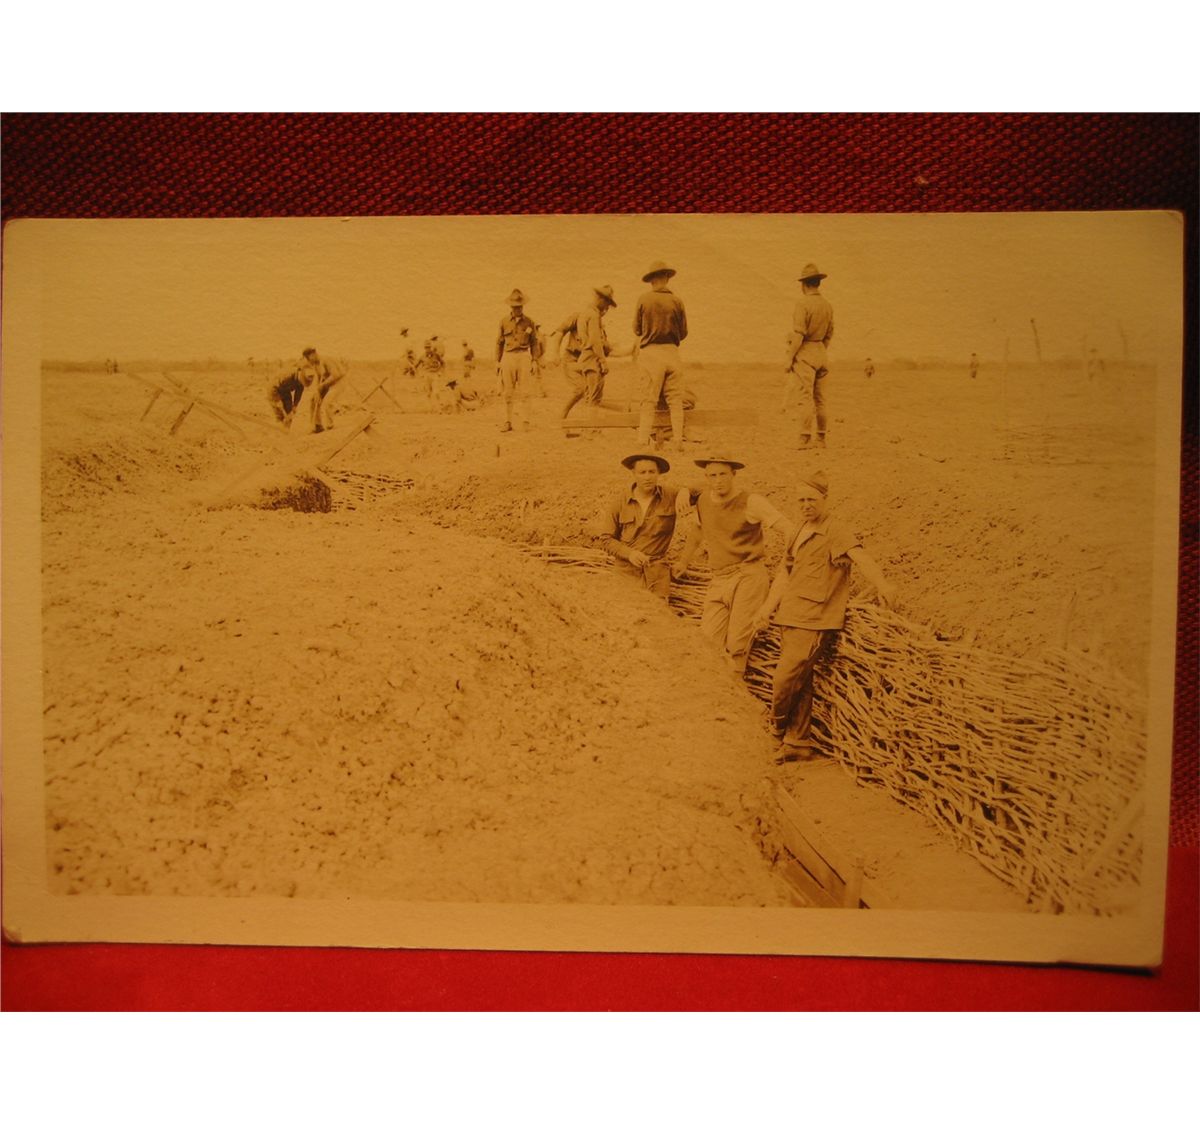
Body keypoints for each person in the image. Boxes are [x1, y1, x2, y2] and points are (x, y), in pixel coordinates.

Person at [751, 469, 895, 760]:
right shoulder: (797, 531)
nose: (806, 505)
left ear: (825, 500)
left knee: (783, 680)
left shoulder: (836, 530)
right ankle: (798, 743)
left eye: (812, 500)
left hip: (815, 618)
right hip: (790, 614)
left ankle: (776, 730)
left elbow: (860, 557)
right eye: (801, 500)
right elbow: (785, 573)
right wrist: (767, 608)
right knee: (800, 681)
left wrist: (882, 584)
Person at [671, 456, 796, 675]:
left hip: (747, 575)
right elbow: (698, 530)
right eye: (712, 475)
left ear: (734, 475)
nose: (718, 480)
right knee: (707, 642)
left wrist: (789, 561)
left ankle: (736, 687)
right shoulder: (703, 500)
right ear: (706, 478)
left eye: (723, 474)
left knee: (737, 644)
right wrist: (683, 561)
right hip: (719, 577)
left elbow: (788, 529)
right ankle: (714, 690)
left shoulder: (751, 502)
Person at [594, 452, 692, 598]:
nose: (647, 477)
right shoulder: (620, 502)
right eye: (642, 472)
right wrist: (630, 554)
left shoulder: (671, 496)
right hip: (626, 573)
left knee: (658, 611)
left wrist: (686, 490)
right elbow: (606, 539)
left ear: (658, 473)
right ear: (634, 474)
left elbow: (707, 488)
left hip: (657, 575)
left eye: (652, 472)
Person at [633, 261, 688, 450]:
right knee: (675, 400)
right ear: (666, 278)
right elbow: (684, 332)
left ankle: (642, 441)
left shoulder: (644, 299)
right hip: (672, 352)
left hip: (651, 353)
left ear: (652, 280)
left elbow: (637, 329)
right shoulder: (677, 301)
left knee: (649, 400)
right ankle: (678, 440)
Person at [786, 263, 834, 449]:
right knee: (820, 399)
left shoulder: (803, 304)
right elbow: (829, 333)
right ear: (818, 283)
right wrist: (820, 349)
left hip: (806, 352)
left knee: (805, 397)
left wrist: (789, 358)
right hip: (821, 352)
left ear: (804, 284)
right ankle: (821, 438)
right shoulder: (827, 305)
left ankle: (804, 438)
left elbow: (799, 335)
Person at [495, 288, 542, 433]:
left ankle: (525, 421)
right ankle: (507, 422)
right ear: (511, 307)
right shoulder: (503, 322)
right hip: (508, 357)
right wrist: (497, 361)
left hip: (523, 356)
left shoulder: (529, 322)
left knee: (525, 392)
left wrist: (534, 360)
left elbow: (534, 343)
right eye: (515, 307)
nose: (518, 309)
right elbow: (499, 343)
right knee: (507, 393)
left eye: (520, 306)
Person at [296, 347, 346, 433]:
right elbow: (319, 378)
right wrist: (318, 391)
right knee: (314, 399)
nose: (309, 361)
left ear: (313, 354)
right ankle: (317, 425)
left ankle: (330, 426)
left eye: (308, 358)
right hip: (327, 383)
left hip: (339, 382)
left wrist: (322, 385)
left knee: (327, 402)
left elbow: (336, 375)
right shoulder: (315, 364)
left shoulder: (326, 360)